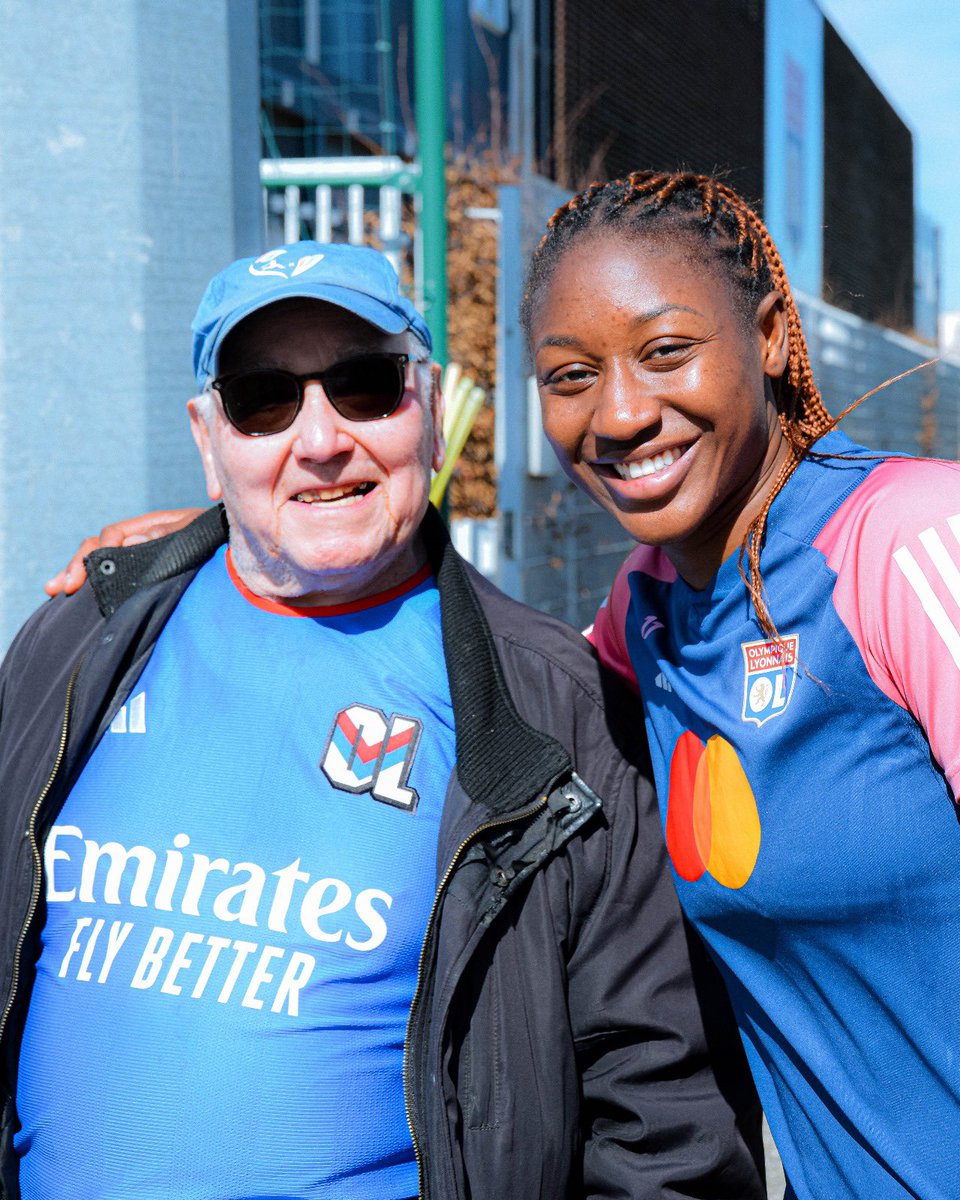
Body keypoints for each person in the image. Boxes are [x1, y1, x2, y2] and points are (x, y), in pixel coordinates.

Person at [0, 239, 765, 1199]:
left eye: (365, 385)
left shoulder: (552, 711)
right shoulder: (76, 642)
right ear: (209, 440)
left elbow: (662, 1122)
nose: (319, 440)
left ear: (432, 413)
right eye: (263, 400)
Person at [522, 169, 960, 1200]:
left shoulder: (906, 545)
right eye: (571, 375)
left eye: (666, 351)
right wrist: (220, 567)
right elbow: (487, 686)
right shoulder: (644, 620)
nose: (621, 413)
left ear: (768, 335)